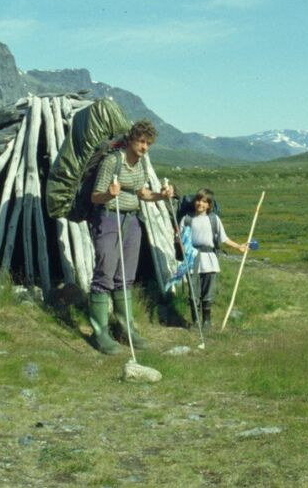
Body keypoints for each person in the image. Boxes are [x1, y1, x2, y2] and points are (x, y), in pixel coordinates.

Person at [87, 119, 174, 354]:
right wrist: (109, 194)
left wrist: (160, 196)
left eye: (149, 143)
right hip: (108, 218)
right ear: (131, 140)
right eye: (142, 141)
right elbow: (95, 196)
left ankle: (126, 329)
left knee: (125, 275)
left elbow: (141, 192)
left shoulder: (142, 164)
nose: (145, 147)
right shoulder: (112, 162)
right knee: (105, 272)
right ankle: (100, 333)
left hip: (132, 220)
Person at [180, 188, 247, 331]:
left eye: (204, 202)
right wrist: (177, 239)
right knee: (193, 292)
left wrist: (238, 247)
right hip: (192, 259)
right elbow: (180, 239)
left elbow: (224, 238)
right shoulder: (186, 219)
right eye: (198, 200)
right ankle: (195, 321)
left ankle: (207, 321)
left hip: (209, 259)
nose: (200, 204)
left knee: (207, 291)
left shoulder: (214, 219)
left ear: (209, 205)